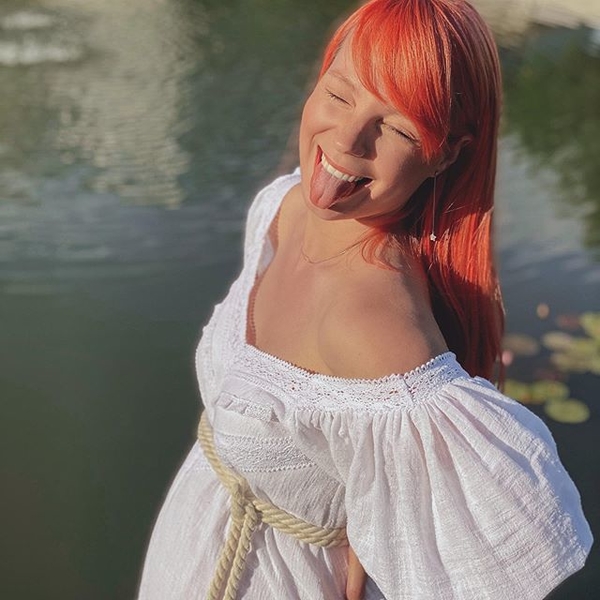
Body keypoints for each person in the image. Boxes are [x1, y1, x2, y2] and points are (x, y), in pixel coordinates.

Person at [138, 1, 593, 598]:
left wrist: (383, 537)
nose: (348, 140)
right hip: (198, 544)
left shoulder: (371, 321)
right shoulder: (281, 206)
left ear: (445, 154)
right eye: (340, 93)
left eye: (398, 128)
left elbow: (497, 553)